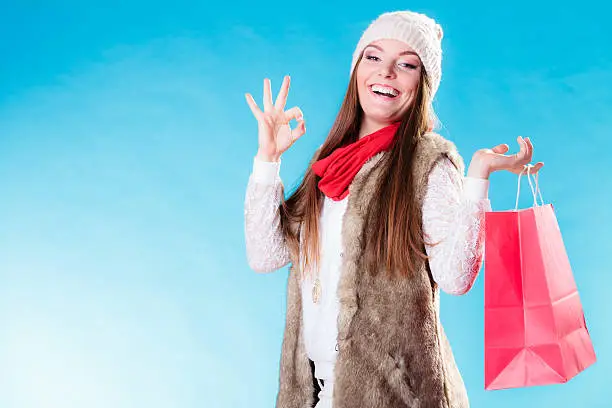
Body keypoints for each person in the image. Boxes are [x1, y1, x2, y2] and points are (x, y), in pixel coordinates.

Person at [243, 10, 543, 408]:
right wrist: (267, 160)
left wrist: (478, 178)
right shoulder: (329, 162)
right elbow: (267, 256)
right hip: (316, 392)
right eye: (373, 57)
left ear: (422, 85)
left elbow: (455, 278)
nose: (385, 72)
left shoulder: (427, 162)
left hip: (396, 396)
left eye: (405, 64)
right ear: (356, 70)